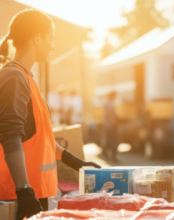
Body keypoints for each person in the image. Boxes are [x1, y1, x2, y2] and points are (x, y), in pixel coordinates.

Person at [0, 9, 101, 220]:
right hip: (18, 195)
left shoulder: (25, 77)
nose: (53, 46)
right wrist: (23, 189)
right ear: (37, 38)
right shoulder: (15, 77)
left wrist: (75, 161)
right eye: (50, 39)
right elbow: (10, 134)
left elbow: (40, 139)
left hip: (30, 192)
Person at [103, 91, 119, 162]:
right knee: (114, 141)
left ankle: (105, 152)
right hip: (111, 125)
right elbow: (110, 113)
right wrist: (114, 122)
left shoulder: (107, 102)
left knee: (109, 140)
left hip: (108, 125)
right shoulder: (109, 103)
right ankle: (113, 156)